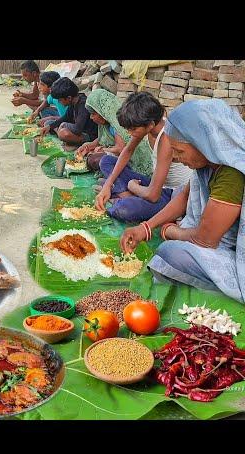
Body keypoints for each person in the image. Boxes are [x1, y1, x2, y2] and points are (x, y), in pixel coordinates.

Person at [119, 99, 245, 302]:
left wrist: (170, 231)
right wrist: (145, 227)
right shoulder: (208, 164)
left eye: (179, 151)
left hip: (234, 253)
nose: (175, 157)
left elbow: (205, 240)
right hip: (214, 239)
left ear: (203, 143)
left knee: (170, 253)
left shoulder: (232, 173)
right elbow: (184, 196)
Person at [94, 92, 192, 223]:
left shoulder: (166, 139)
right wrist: (108, 184)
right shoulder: (148, 126)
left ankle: (124, 197)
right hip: (156, 185)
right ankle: (122, 193)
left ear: (150, 124)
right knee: (106, 161)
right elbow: (127, 151)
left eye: (133, 129)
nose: (129, 133)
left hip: (174, 195)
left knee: (123, 209)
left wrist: (132, 186)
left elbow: (153, 195)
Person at [39, 77, 98, 147]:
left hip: (87, 134)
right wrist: (49, 127)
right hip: (76, 128)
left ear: (69, 98)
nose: (59, 102)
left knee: (63, 134)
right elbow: (66, 117)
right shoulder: (73, 101)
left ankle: (78, 142)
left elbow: (77, 129)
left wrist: (64, 125)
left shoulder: (83, 105)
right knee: (48, 123)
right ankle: (66, 139)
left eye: (60, 100)